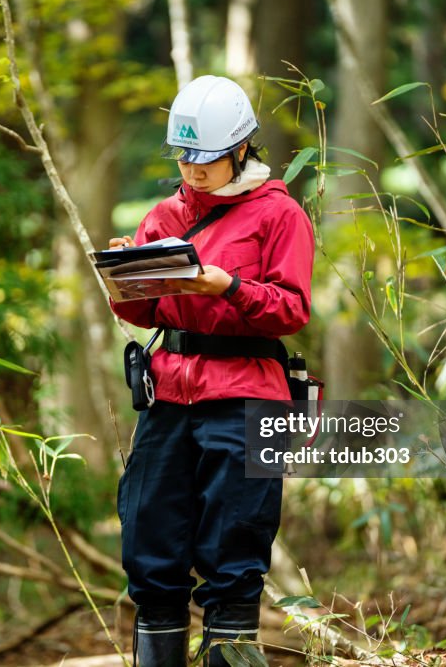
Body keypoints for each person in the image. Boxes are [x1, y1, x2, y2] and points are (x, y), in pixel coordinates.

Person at [108, 75, 315, 666]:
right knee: (149, 538)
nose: (193, 171)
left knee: (234, 546)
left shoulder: (279, 216)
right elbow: (142, 311)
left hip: (247, 393)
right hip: (169, 394)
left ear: (242, 149)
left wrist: (229, 286)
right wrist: (126, 275)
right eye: (185, 157)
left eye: (207, 160)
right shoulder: (164, 215)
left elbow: (292, 308)